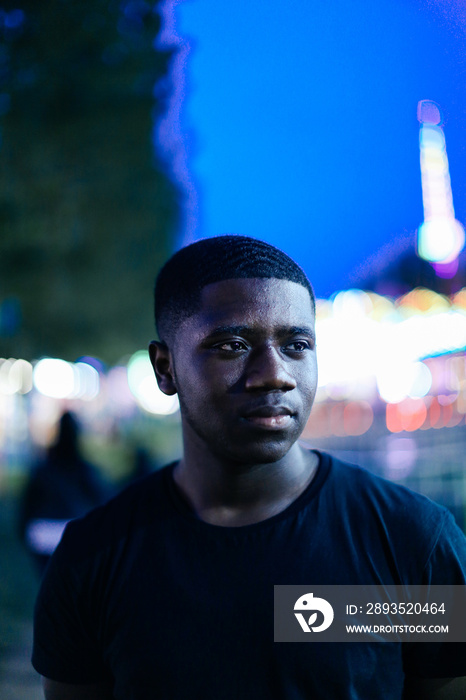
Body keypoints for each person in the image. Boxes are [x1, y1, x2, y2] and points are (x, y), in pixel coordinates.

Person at [32, 235, 466, 699]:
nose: (274, 373)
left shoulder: (413, 540)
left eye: (297, 344)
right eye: (233, 345)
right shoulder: (92, 558)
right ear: (166, 369)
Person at [19, 410, 108, 574]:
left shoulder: (43, 468)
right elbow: (102, 500)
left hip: (41, 534)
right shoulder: (83, 469)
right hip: (72, 532)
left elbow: (27, 505)